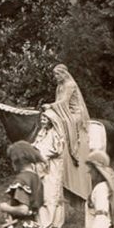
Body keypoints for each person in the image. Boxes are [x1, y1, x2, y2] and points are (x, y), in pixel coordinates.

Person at [42, 64, 92, 202]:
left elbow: (64, 102)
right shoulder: (60, 86)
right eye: (54, 75)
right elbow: (60, 103)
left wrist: (51, 105)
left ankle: (73, 149)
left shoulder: (70, 85)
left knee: (65, 124)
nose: (55, 77)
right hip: (65, 111)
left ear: (63, 74)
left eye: (57, 74)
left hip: (74, 112)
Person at [32, 108, 66, 228]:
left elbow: (56, 150)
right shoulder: (42, 132)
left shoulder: (55, 134)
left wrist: (41, 154)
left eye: (45, 119)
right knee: (42, 191)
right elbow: (37, 144)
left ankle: (52, 222)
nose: (43, 121)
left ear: (51, 121)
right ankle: (42, 220)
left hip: (53, 166)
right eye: (42, 118)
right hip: (42, 165)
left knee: (51, 192)